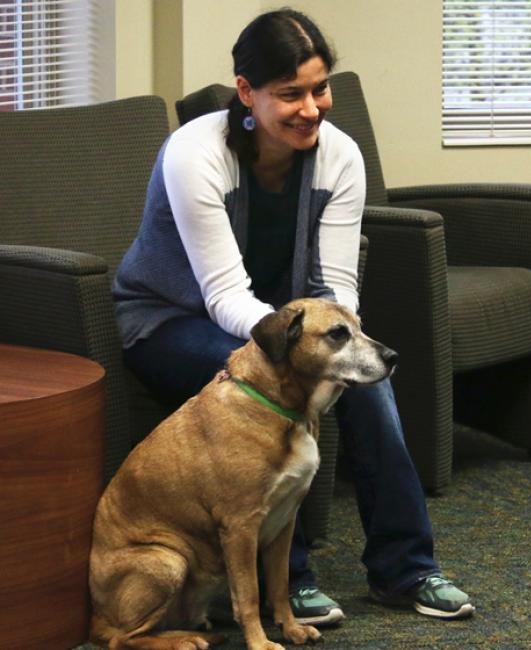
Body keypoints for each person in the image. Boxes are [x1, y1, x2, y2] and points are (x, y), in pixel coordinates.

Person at [113, 7, 474, 627]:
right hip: (171, 319)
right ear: (247, 92)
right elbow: (227, 297)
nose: (312, 107)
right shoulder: (193, 153)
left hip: (291, 324)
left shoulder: (340, 156)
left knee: (365, 380)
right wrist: (298, 356)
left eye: (320, 88)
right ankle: (293, 581)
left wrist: (332, 355)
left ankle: (406, 567)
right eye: (291, 94)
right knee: (260, 390)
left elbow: (337, 287)